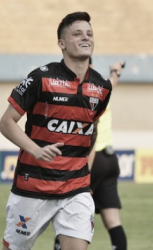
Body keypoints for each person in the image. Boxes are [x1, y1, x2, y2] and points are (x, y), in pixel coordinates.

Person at [0, 12, 112, 250]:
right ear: (61, 43)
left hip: (75, 187)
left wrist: (85, 169)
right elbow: (6, 122)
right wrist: (35, 150)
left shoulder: (102, 87)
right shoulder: (41, 77)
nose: (86, 38)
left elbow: (91, 131)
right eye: (77, 33)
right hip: (33, 187)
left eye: (90, 34)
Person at [53, 58, 127, 250]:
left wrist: (85, 173)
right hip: (110, 160)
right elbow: (112, 82)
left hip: (92, 160)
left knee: (66, 219)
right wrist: (116, 71)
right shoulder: (103, 89)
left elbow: (90, 139)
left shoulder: (84, 93)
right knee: (113, 221)